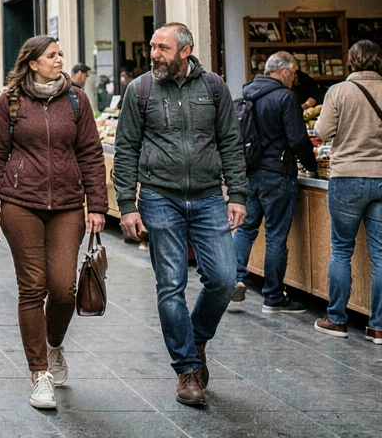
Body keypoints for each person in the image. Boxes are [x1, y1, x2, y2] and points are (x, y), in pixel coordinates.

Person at [112, 23, 247, 407]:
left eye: (162, 48)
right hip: (159, 197)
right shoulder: (140, 90)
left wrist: (236, 193)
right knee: (169, 285)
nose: (153, 54)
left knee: (224, 279)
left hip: (207, 197)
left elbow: (232, 144)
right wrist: (126, 204)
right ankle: (187, 370)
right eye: (152, 47)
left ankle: (196, 336)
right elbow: (126, 149)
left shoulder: (214, 88)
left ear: (185, 51)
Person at [0, 36, 107, 410]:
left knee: (64, 288)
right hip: (20, 203)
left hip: (68, 204)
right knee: (32, 287)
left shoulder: (76, 100)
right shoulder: (10, 101)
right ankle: (39, 374)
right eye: (52, 55)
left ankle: (53, 344)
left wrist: (97, 204)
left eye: (60, 54)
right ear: (32, 62)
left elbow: (91, 154)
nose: (60, 59)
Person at [232, 52, 317, 314]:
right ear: (284, 72)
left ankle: (233, 279)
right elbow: (298, 139)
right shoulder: (284, 97)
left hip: (249, 173)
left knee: (246, 230)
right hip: (278, 175)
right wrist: (312, 167)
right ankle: (273, 297)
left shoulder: (246, 94)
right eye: (294, 73)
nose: (295, 79)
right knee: (276, 237)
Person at [312, 40, 382, 342]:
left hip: (346, 179)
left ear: (351, 62)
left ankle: (337, 318)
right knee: (380, 255)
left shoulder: (339, 91)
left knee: (341, 249)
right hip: (381, 176)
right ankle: (378, 325)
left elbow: (323, 132)